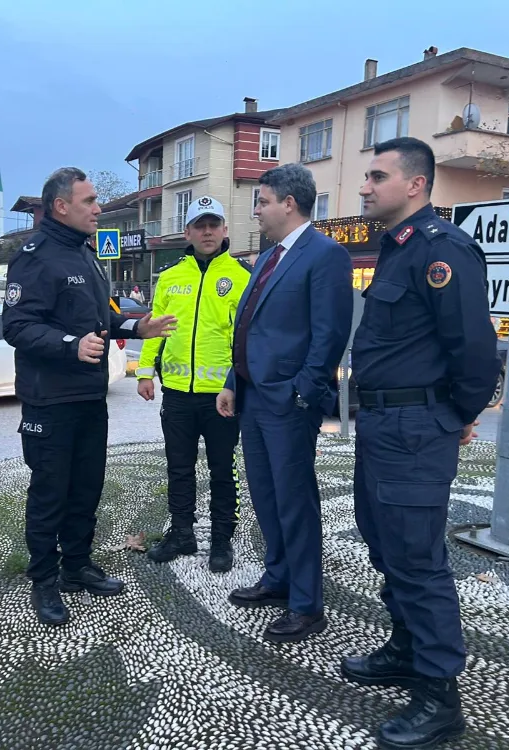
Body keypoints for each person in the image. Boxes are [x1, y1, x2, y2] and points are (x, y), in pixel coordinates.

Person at [342, 137, 499, 750]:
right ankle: (407, 649)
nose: (365, 187)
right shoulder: (397, 249)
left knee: (417, 558)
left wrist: (454, 414)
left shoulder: (443, 250)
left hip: (414, 428)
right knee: (385, 544)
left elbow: (475, 349)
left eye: (377, 176)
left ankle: (439, 696)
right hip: (383, 424)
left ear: (415, 185)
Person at [3, 167, 177, 627]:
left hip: (88, 398)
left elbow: (102, 319)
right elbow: (17, 326)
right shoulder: (35, 257)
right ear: (61, 206)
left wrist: (137, 327)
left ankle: (77, 566)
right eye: (90, 201)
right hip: (49, 401)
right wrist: (70, 345)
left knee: (86, 489)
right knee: (50, 494)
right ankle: (44, 580)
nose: (98, 208)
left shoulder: (85, 254)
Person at [217, 163, 353, 643]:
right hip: (253, 397)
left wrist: (301, 393)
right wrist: (233, 381)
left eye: (262, 202)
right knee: (266, 495)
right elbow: (248, 326)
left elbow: (330, 334)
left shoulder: (325, 255)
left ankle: (306, 604)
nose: (256, 210)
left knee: (295, 501)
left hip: (288, 404)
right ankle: (277, 577)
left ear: (289, 203)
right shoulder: (268, 257)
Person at [137, 196, 251, 573]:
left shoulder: (241, 276)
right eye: (199, 225)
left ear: (224, 229)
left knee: (223, 470)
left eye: (213, 224)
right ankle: (182, 534)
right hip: (177, 394)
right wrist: (144, 371)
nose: (207, 232)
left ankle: (221, 539)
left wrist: (239, 384)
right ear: (187, 232)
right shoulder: (170, 277)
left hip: (222, 396)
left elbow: (246, 338)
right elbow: (155, 328)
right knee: (179, 468)